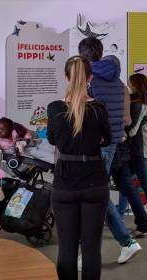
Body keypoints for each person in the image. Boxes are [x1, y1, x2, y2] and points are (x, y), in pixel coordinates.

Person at [78, 37, 144, 265]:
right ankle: (124, 243)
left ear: (82, 55)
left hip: (95, 145)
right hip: (113, 142)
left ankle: (119, 244)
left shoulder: (89, 80)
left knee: (94, 197)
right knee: (96, 197)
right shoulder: (116, 80)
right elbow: (125, 112)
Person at [47, 56, 111, 280]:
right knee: (91, 250)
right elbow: (108, 139)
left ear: (66, 77)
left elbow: (52, 140)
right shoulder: (99, 108)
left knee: (66, 250)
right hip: (95, 181)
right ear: (90, 77)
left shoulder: (54, 109)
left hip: (64, 183)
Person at [117, 73, 147, 231]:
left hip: (139, 150)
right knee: (126, 183)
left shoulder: (138, 105)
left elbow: (132, 130)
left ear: (136, 85)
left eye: (130, 84)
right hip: (144, 148)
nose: (129, 86)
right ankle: (119, 216)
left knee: (144, 185)